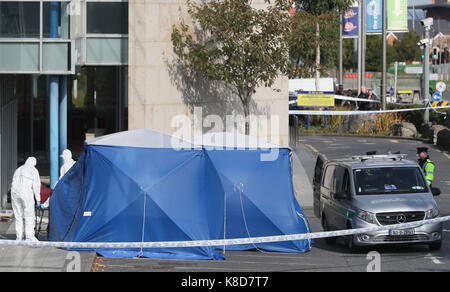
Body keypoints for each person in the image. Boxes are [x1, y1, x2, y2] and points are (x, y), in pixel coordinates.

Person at [10, 157, 43, 241]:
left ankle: (19, 237)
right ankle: (29, 236)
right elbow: (36, 186)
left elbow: (13, 182)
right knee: (29, 215)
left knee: (18, 216)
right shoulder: (33, 170)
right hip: (26, 193)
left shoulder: (18, 169)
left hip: (14, 193)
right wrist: (38, 199)